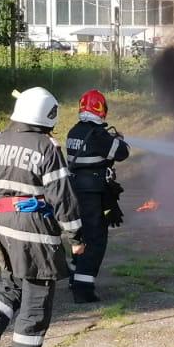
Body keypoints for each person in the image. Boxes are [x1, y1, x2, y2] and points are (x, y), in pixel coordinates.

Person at [0, 87, 85, 347]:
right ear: (47, 115)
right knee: (37, 299)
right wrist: (74, 235)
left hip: (2, 229)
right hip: (36, 234)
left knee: (10, 288)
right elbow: (62, 196)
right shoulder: (47, 147)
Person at [65, 89, 130, 303]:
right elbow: (121, 153)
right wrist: (118, 139)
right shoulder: (98, 135)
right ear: (101, 109)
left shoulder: (74, 131)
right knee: (95, 239)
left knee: (81, 236)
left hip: (74, 192)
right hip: (92, 194)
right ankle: (83, 289)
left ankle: (74, 278)